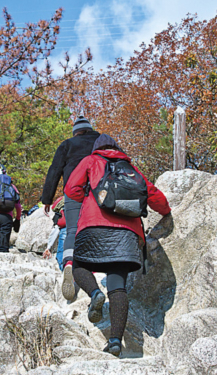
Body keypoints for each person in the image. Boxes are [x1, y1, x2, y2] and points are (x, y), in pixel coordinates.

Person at [64, 134, 171, 357]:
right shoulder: (129, 167)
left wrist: (89, 193)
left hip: (94, 226)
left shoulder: (91, 161)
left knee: (79, 266)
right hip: (127, 233)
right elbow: (151, 193)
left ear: (97, 148)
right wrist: (166, 211)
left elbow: (71, 189)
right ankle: (115, 342)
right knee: (117, 285)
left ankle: (94, 294)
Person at [42, 115, 100, 300]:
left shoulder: (67, 144)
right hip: (98, 192)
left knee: (73, 229)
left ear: (75, 132)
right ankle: (90, 272)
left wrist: (47, 199)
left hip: (73, 192)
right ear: (90, 129)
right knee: (94, 230)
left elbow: (54, 171)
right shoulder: (101, 141)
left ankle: (68, 264)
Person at [42, 196, 67, 270]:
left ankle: (65, 272)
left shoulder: (63, 205)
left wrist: (49, 247)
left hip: (65, 230)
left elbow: (56, 229)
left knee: (62, 256)